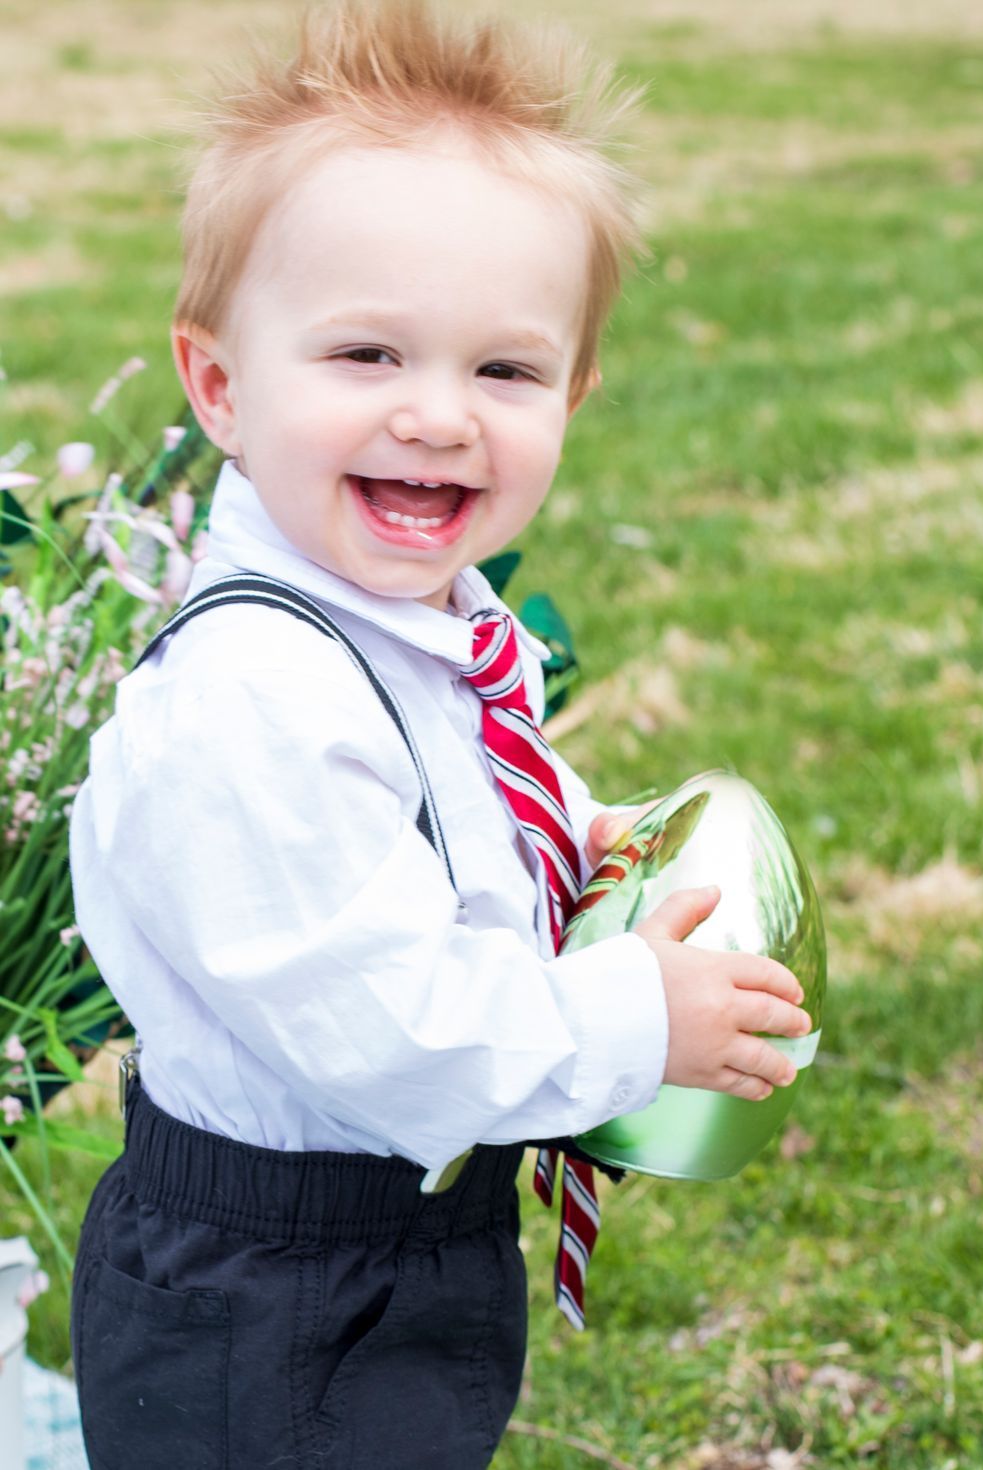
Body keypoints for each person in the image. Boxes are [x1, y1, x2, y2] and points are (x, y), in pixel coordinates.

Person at [68, 3, 812, 1466]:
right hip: (270, 1285)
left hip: (392, 1232)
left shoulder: (419, 623)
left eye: (506, 372)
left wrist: (578, 847)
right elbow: (391, 1027)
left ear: (573, 395)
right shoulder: (249, 700)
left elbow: (456, 796)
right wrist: (634, 1022)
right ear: (220, 385)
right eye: (366, 353)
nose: (438, 416)